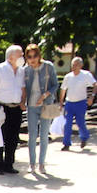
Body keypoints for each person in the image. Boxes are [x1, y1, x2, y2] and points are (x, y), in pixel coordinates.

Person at [0, 45, 26, 174]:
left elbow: (23, 88)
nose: (22, 57)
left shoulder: (21, 71)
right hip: (1, 107)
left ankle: (9, 164)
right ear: (10, 57)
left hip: (16, 108)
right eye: (20, 55)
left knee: (13, 137)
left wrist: (22, 102)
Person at [22, 44, 59, 175]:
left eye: (35, 56)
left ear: (39, 55)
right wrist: (22, 101)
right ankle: (32, 163)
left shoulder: (48, 66)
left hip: (46, 105)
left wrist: (45, 95)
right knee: (32, 135)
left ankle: (41, 163)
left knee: (44, 135)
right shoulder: (26, 70)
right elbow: (24, 88)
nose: (32, 59)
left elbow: (55, 85)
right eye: (29, 56)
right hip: (31, 106)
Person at [59, 57, 96, 152]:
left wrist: (92, 96)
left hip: (81, 102)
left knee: (80, 122)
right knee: (68, 124)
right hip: (69, 103)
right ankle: (66, 143)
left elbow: (95, 85)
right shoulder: (68, 77)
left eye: (76, 65)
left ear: (81, 66)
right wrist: (61, 102)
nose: (74, 67)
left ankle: (84, 137)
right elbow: (63, 90)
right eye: (73, 65)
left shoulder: (86, 75)